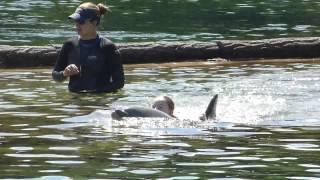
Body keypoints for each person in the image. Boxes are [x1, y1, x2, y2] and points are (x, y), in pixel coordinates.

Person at [52, 2, 124, 93]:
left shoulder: (108, 47)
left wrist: (93, 94)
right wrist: (64, 73)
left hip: (100, 101)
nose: (77, 26)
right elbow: (55, 75)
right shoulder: (69, 44)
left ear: (95, 22)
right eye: (76, 21)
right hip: (75, 101)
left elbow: (119, 82)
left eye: (81, 22)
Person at [111, 94, 218, 120]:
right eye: (153, 107)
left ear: (171, 110)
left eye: (160, 107)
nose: (156, 110)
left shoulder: (178, 121)